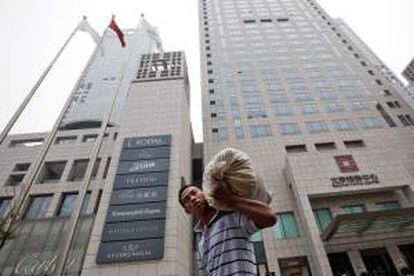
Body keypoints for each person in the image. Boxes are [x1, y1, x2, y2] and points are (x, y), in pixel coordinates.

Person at [178, 181, 277, 276]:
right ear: (187, 210)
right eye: (187, 199)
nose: (192, 198)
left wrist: (230, 199)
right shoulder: (201, 241)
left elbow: (270, 217)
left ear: (203, 193)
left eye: (194, 193)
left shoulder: (231, 217)